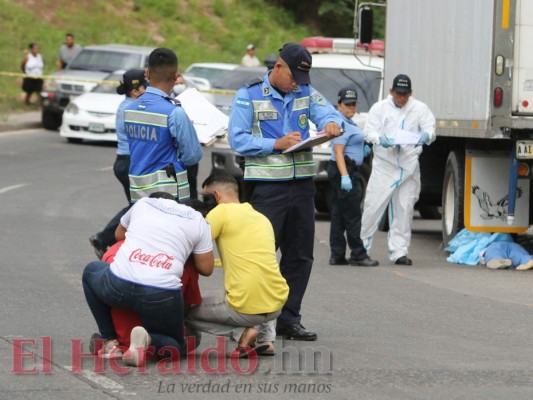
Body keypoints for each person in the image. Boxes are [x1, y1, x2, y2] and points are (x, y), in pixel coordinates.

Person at [228, 42, 343, 341]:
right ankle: (253, 321)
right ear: (278, 67)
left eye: (301, 80)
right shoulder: (249, 95)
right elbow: (237, 139)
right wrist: (275, 144)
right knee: (261, 256)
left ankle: (289, 320)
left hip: (302, 188)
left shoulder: (304, 91)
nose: (296, 85)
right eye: (293, 77)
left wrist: (332, 122)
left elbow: (330, 112)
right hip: (267, 190)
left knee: (300, 256)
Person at [82, 192, 214, 367]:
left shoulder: (143, 204)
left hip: (119, 284)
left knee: (90, 271)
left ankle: (109, 340)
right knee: (177, 344)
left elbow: (119, 234)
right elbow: (206, 269)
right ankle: (149, 340)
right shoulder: (198, 220)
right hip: (160, 294)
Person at [187, 172, 289, 357]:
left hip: (245, 306)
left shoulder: (221, 212)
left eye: (206, 197)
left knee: (185, 312)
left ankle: (243, 333)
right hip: (277, 303)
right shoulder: (261, 218)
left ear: (216, 196)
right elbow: (250, 259)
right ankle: (266, 339)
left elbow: (193, 245)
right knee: (259, 276)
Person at [360, 74, 436, 265]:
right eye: (398, 94)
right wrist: (380, 140)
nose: (401, 98)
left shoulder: (419, 108)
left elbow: (430, 128)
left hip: (408, 167)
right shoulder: (379, 108)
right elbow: (370, 131)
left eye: (405, 94)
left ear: (410, 93)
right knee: (373, 207)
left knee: (404, 210)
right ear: (391, 91)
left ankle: (399, 251)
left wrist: (425, 136)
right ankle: (361, 249)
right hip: (385, 166)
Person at [124, 48, 202, 203]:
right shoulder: (174, 113)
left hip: (138, 193)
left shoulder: (129, 110)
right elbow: (192, 156)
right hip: (169, 194)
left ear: (147, 74)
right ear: (175, 76)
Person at [89, 69, 149, 259]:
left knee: (137, 204)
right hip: (129, 162)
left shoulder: (130, 104)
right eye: (144, 86)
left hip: (125, 161)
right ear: (135, 90)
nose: (147, 90)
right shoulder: (131, 109)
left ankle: (108, 239)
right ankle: (104, 238)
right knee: (137, 205)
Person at [328, 87, 378, 267]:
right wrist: (345, 176)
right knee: (353, 214)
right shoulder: (340, 123)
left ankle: (337, 254)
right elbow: (338, 152)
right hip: (344, 170)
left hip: (346, 169)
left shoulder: (347, 121)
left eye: (354, 104)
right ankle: (358, 254)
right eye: (347, 104)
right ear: (339, 104)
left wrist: (362, 150)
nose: (351, 107)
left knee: (339, 214)